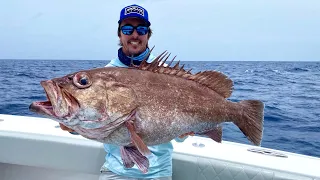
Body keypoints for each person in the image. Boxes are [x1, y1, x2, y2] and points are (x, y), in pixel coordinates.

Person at [60, 4, 193, 180]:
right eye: (128, 28)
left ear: (148, 33)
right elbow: (96, 120)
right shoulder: (105, 74)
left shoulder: (168, 74)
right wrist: (73, 126)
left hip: (158, 172)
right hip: (115, 170)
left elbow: (179, 136)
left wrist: (185, 131)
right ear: (120, 33)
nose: (135, 35)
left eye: (141, 29)